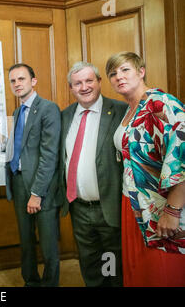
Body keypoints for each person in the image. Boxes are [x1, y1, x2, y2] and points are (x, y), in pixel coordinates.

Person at [106, 51, 185, 286]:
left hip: (163, 207)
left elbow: (182, 158)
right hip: (133, 203)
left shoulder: (163, 103)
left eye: (125, 70)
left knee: (161, 272)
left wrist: (172, 211)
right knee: (139, 273)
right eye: (113, 73)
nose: (119, 76)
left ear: (141, 72)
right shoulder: (129, 109)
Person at [0, 63, 61, 287]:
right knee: (26, 241)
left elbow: (49, 155)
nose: (17, 84)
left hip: (42, 186)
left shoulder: (48, 109)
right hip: (18, 182)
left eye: (21, 79)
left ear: (33, 81)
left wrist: (37, 193)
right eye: (13, 81)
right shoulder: (18, 111)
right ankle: (31, 282)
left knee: (48, 245)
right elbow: (20, 147)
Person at [58, 62, 127, 286]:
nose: (84, 87)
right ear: (71, 88)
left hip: (109, 206)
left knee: (113, 265)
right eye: (78, 83)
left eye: (89, 81)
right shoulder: (65, 116)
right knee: (89, 264)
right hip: (78, 208)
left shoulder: (120, 110)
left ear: (99, 82)